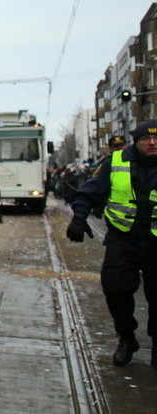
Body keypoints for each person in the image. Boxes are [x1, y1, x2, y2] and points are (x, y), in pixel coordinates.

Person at [66, 119, 157, 368]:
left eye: (156, 139)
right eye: (145, 139)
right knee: (115, 290)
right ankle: (127, 338)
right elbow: (89, 191)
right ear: (135, 142)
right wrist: (78, 217)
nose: (152, 143)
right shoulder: (116, 162)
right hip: (123, 238)